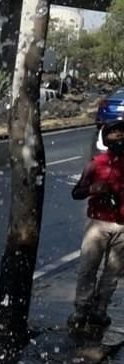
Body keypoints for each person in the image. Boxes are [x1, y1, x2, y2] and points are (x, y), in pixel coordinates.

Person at [67, 119, 124, 333]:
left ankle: (100, 310)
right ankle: (81, 310)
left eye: (122, 134)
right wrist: (93, 188)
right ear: (106, 139)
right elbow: (76, 192)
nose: (119, 137)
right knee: (87, 269)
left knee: (112, 273)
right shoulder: (95, 163)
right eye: (114, 134)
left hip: (122, 227)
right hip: (98, 225)